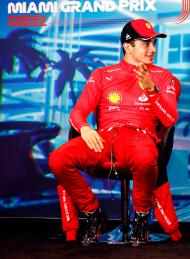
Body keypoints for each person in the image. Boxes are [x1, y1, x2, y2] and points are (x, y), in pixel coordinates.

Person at [49, 19, 181, 247]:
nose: (153, 49)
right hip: (104, 139)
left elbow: (169, 119)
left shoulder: (163, 77)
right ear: (128, 47)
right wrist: (85, 128)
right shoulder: (102, 74)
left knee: (144, 157)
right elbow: (78, 112)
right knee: (58, 159)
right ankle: (93, 214)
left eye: (154, 44)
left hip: (140, 137)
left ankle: (140, 220)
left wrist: (151, 91)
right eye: (146, 44)